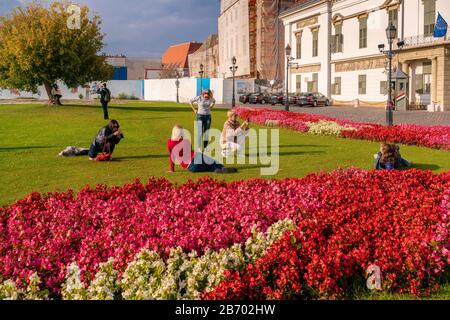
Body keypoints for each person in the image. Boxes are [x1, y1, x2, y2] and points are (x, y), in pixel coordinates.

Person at [168, 125, 236, 174]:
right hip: (196, 157)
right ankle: (222, 168)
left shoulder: (169, 143)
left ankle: (217, 170)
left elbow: (172, 156)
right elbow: (190, 150)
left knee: (208, 167)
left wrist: (172, 169)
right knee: (212, 161)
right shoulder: (186, 141)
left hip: (191, 168)